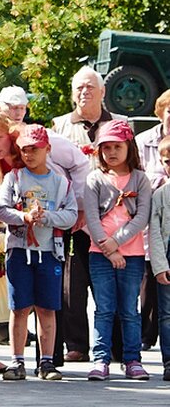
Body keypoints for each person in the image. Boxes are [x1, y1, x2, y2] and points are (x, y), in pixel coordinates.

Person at [51, 65, 126, 364]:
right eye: (79, 87)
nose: (84, 92)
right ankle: (78, 344)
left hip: (111, 217)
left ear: (103, 91)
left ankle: (119, 346)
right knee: (73, 285)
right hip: (73, 218)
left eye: (90, 87)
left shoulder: (122, 122)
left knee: (113, 281)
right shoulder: (59, 125)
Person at [0, 124, 78, 381]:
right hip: (20, 251)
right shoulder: (14, 178)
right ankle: (16, 361)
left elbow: (71, 215)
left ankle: (46, 362)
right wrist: (24, 216)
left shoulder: (61, 183)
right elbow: (1, 210)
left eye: (35, 149)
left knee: (46, 308)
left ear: (48, 149)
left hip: (49, 252)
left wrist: (48, 217)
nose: (30, 154)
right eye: (25, 150)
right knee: (19, 307)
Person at [83, 120, 151, 381]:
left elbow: (141, 217)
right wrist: (108, 248)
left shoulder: (140, 179)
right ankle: (101, 358)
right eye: (106, 147)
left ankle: (132, 359)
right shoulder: (94, 179)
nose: (111, 152)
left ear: (129, 147)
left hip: (132, 255)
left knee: (129, 309)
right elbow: (91, 216)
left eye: (117, 146)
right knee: (104, 308)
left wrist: (117, 243)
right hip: (100, 254)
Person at [134, 88, 170, 351]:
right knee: (150, 279)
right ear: (160, 113)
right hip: (150, 218)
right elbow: (137, 175)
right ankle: (147, 336)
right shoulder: (143, 140)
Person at [148, 135, 170, 381]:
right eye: (168, 162)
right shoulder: (160, 195)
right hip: (167, 254)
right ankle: (169, 361)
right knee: (166, 313)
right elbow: (153, 231)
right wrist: (159, 266)